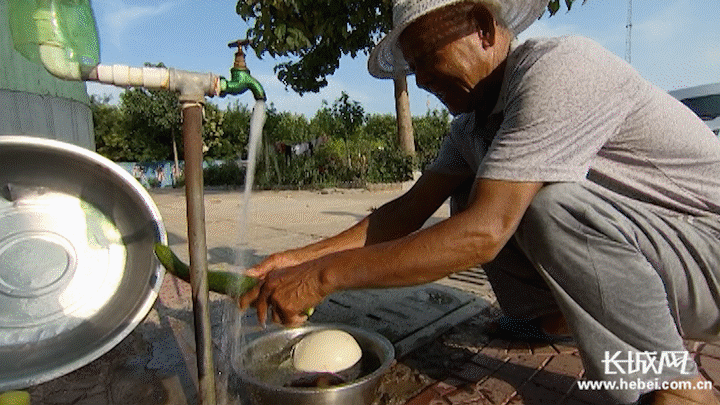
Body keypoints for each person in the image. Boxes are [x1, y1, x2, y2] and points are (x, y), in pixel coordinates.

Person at [239, 0, 720, 403]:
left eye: (427, 56)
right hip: (663, 260)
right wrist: (300, 260)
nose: (421, 79)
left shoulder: (560, 68)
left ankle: (677, 385)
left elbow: (483, 235)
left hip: (709, 254)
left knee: (546, 207)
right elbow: (404, 213)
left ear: (484, 30)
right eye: (413, 66)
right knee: (473, 191)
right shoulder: (472, 126)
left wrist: (323, 278)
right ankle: (551, 319)